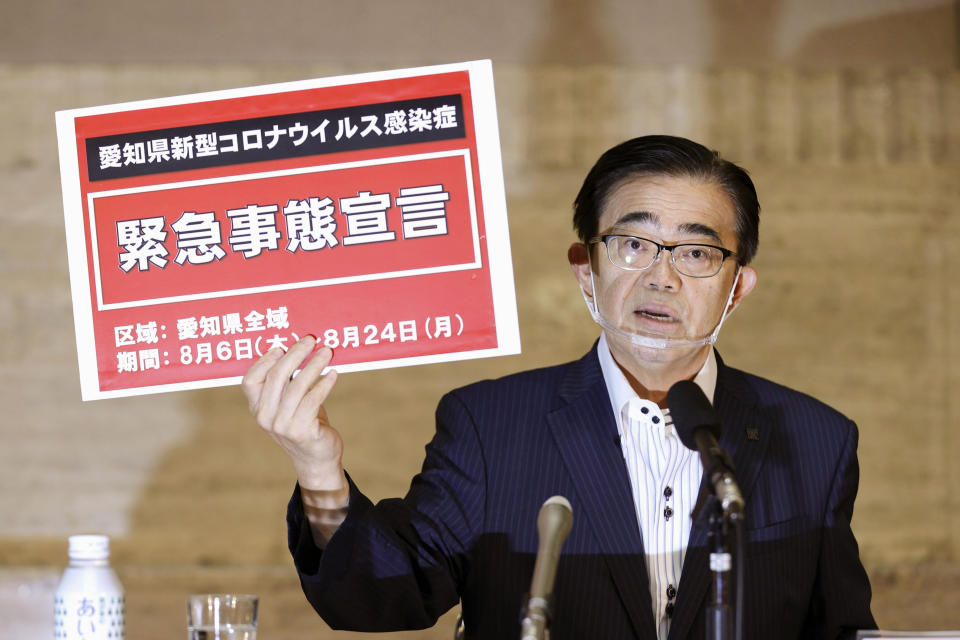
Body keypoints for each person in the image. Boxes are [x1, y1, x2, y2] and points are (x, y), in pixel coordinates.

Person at [242, 135, 876, 639]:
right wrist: (317, 468)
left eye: (696, 254)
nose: (662, 278)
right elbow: (380, 596)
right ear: (586, 271)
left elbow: (843, 628)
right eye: (633, 243)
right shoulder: (492, 424)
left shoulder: (815, 439)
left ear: (737, 288)